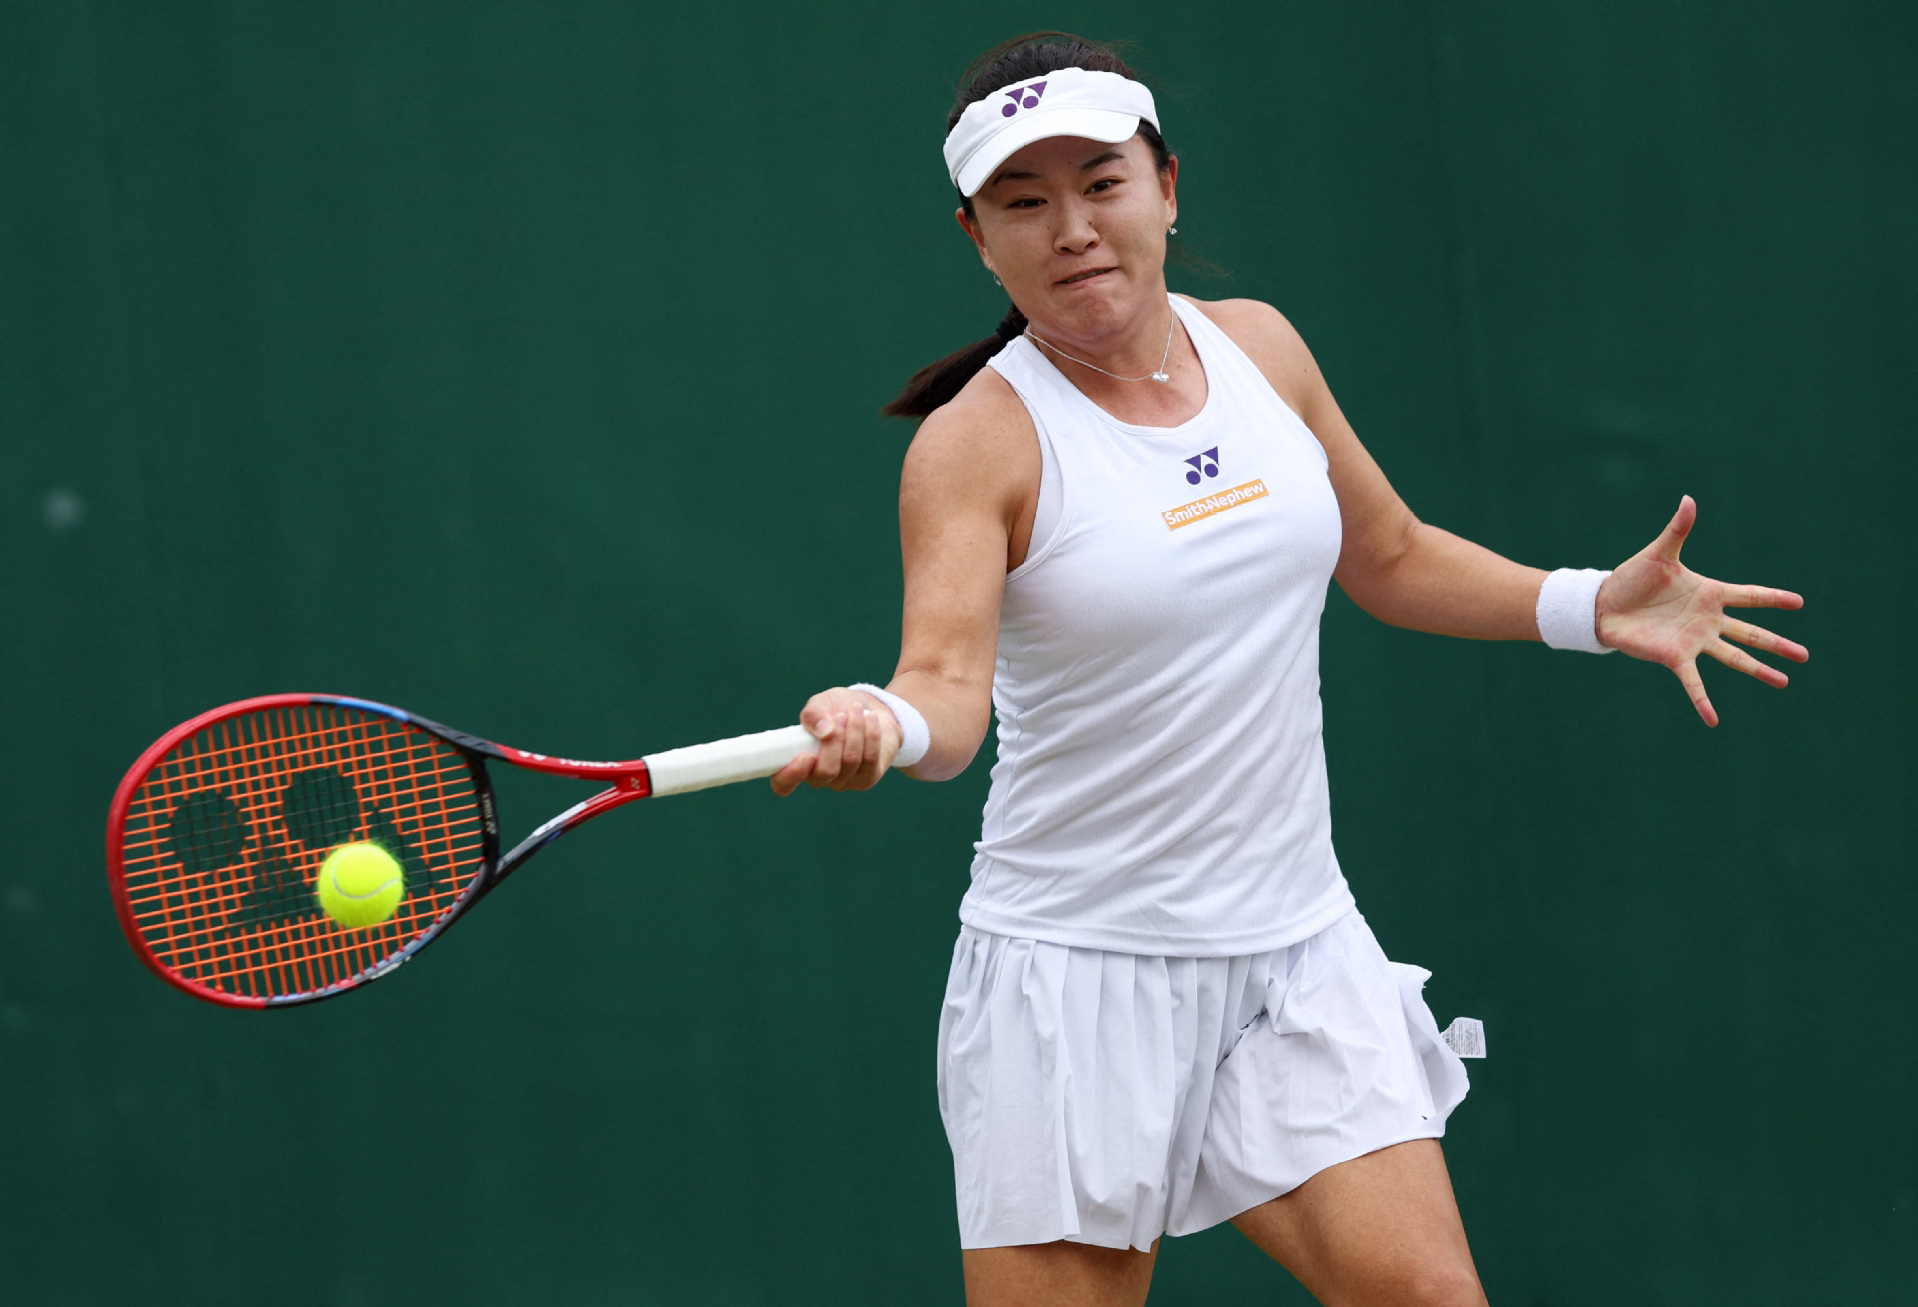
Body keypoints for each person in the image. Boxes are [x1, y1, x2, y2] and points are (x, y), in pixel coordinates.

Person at [770, 33, 1807, 1307]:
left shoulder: (1261, 348)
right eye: (1024, 203)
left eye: (1101, 183)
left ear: (1165, 186)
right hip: (1077, 977)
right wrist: (880, 717)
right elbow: (943, 690)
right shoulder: (972, 443)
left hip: (1296, 951)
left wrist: (1588, 603)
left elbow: (1390, 554)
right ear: (978, 238)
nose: (1072, 228)